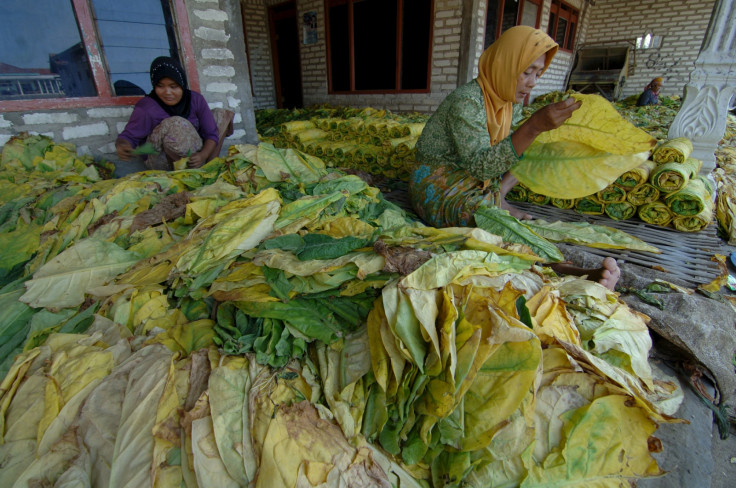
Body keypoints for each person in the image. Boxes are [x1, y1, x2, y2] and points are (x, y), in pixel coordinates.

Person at [409, 25, 620, 289]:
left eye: (538, 73)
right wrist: (533, 126)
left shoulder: (507, 101)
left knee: (536, 143)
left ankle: (499, 199)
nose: (533, 82)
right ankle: (561, 267)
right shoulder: (467, 101)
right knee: (485, 220)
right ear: (505, 64)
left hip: (474, 180)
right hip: (437, 186)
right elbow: (481, 167)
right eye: (526, 71)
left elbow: (515, 146)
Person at [115, 56, 234, 170]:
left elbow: (211, 134)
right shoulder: (147, 107)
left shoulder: (195, 99)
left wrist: (203, 155)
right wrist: (123, 145)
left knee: (221, 114)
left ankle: (209, 168)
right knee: (175, 122)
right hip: (162, 160)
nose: (167, 92)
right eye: (160, 86)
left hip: (195, 153)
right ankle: (185, 172)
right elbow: (128, 137)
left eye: (173, 86)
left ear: (182, 85)